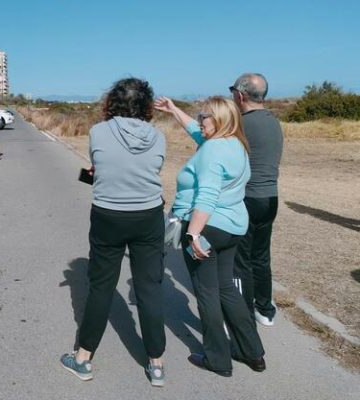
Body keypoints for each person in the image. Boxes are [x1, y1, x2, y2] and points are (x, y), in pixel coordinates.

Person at [60, 78, 167, 387]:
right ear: (145, 104)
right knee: (149, 287)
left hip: (108, 215)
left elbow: (98, 168)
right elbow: (151, 170)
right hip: (148, 215)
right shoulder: (158, 136)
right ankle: (156, 364)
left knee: (101, 286)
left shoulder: (98, 132)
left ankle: (83, 358)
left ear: (113, 102)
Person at [155, 95, 265, 377]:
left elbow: (207, 195)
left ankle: (218, 359)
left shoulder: (212, 150)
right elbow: (196, 130)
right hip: (231, 227)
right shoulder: (234, 144)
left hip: (206, 227)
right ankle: (252, 352)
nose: (200, 121)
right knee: (226, 288)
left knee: (207, 292)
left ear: (219, 120)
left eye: (204, 116)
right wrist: (174, 110)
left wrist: (193, 234)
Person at [229, 73, 284, 327]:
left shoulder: (242, 124)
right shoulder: (273, 121)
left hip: (248, 198)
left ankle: (242, 317)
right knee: (261, 256)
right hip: (270, 197)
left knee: (240, 259)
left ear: (240, 95)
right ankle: (265, 308)